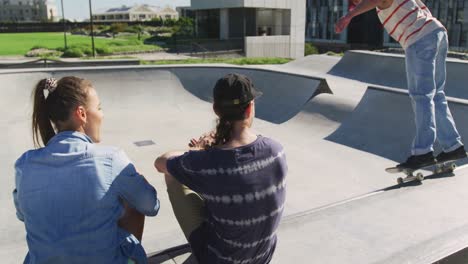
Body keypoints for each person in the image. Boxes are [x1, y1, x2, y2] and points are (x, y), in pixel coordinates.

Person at [13, 77, 160, 264]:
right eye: (99, 108)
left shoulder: (24, 165)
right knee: (130, 201)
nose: (102, 114)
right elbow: (150, 205)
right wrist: (136, 177)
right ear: (81, 113)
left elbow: (22, 215)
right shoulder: (111, 159)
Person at [154, 73, 288, 264]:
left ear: (216, 110)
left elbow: (160, 162)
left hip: (219, 259)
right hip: (262, 257)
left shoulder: (208, 161)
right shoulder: (276, 150)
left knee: (172, 175)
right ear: (250, 108)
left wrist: (197, 151)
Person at [335, 0, 466, 169]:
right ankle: (453, 146)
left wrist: (349, 16)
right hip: (436, 33)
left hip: (420, 39)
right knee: (436, 95)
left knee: (422, 96)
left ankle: (423, 152)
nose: (358, 5)